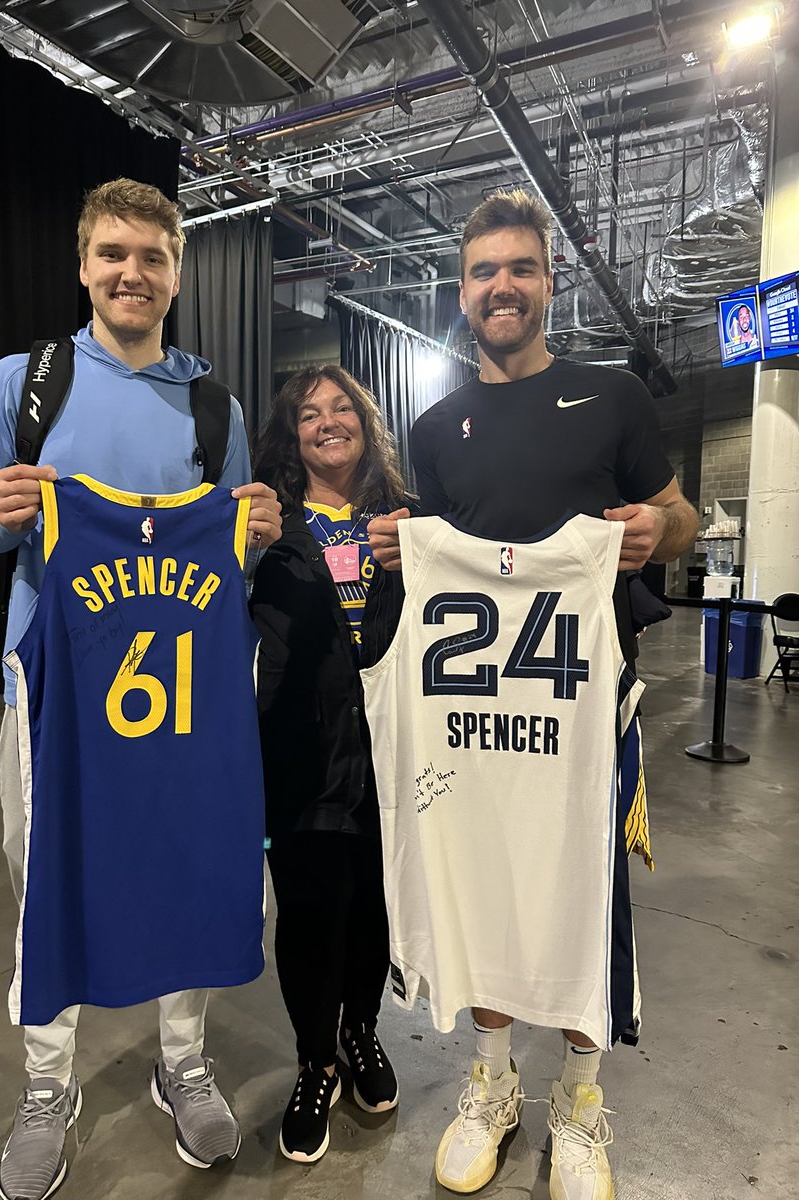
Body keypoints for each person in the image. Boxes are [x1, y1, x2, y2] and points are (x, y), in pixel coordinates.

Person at [0, 177, 282, 1200]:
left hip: (177, 699)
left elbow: (229, 565)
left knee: (182, 864)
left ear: (177, 274)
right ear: (84, 264)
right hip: (52, 694)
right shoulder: (25, 384)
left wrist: (258, 537)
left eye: (152, 257)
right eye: (113, 254)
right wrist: (4, 512)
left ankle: (183, 1060)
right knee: (41, 872)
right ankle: (49, 1085)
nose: (132, 274)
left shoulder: (214, 407)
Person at [367, 187, 698, 1199]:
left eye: (520, 268)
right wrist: (399, 551)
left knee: (585, 892)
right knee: (488, 884)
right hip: (472, 711)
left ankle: (581, 1103)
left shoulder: (612, 398)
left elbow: (679, 516)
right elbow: (435, 555)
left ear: (550, 282)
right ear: (461, 292)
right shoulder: (436, 427)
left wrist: (658, 531)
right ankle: (493, 1082)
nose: (501, 286)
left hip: (584, 706)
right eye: (483, 273)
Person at [249, 366, 406, 1162]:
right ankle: (316, 1061)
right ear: (292, 434)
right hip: (298, 750)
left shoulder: (405, 520)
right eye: (309, 414)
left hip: (394, 753)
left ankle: (362, 1031)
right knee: (310, 911)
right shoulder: (266, 524)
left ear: (366, 423)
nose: (328, 422)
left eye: (343, 407)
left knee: (376, 905)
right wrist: (245, 553)